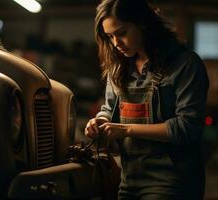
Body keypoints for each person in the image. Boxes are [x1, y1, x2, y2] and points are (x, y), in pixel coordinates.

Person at [84, 0, 209, 199]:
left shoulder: (185, 65)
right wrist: (100, 122)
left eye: (122, 33)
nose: (116, 43)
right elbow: (109, 109)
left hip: (172, 182)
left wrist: (125, 129)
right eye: (110, 37)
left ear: (142, 23)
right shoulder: (118, 68)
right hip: (130, 179)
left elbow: (188, 127)